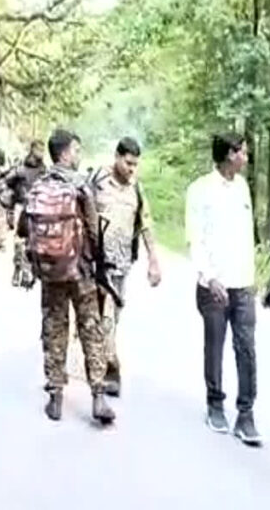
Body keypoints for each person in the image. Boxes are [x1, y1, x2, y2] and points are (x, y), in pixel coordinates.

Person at [20, 129, 114, 425]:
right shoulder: (81, 185)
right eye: (76, 150)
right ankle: (98, 395)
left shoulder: (39, 185)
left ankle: (55, 396)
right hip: (80, 269)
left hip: (51, 270)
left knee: (54, 328)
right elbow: (94, 228)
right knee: (90, 328)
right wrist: (97, 260)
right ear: (65, 153)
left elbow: (24, 227)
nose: (78, 155)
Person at [185, 132, 260, 446]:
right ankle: (215, 404)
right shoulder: (200, 189)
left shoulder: (243, 187)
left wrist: (252, 276)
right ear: (230, 154)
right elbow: (195, 236)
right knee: (215, 345)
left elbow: (245, 234)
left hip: (242, 283)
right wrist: (209, 276)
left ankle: (246, 413)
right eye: (243, 152)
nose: (246, 157)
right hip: (213, 284)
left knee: (246, 348)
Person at [90, 137, 162, 397]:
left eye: (135, 164)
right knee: (105, 318)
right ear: (117, 157)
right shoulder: (98, 182)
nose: (132, 169)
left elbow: (145, 224)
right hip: (98, 265)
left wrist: (153, 260)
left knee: (112, 319)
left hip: (122, 266)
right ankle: (109, 370)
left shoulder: (136, 189)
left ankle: (100, 361)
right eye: (128, 163)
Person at [9, 140, 47, 287]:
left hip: (37, 207)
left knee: (33, 240)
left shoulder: (44, 170)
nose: (41, 153)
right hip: (22, 205)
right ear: (32, 149)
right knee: (19, 240)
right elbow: (9, 181)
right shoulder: (22, 168)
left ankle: (27, 270)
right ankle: (19, 269)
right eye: (39, 149)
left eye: (42, 150)